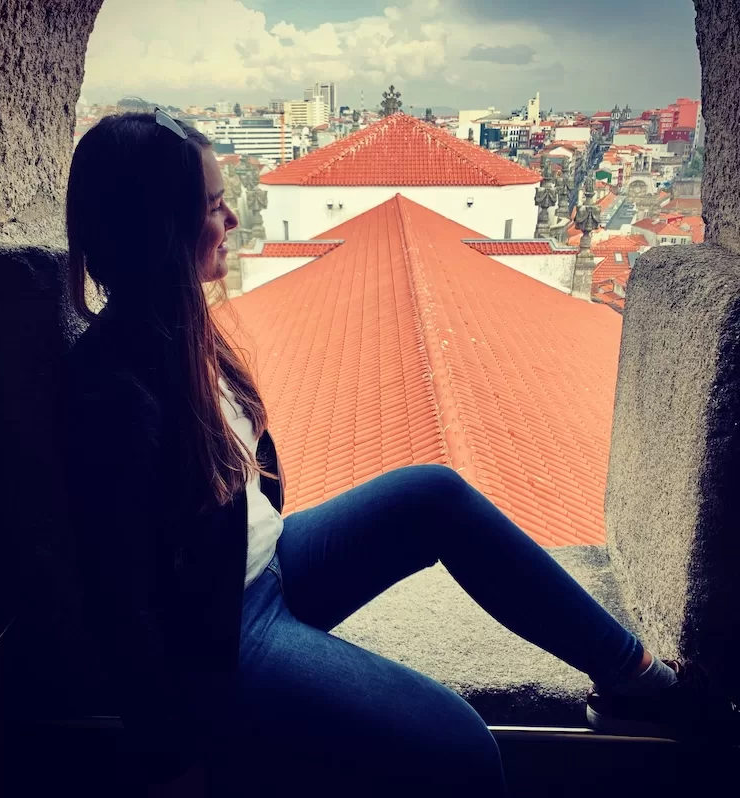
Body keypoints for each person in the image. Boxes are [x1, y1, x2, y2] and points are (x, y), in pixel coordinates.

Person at [59, 110, 732, 797]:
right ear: (160, 233)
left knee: (432, 493)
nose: (234, 219)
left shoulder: (180, 332)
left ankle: (639, 679)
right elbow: (120, 601)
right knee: (464, 752)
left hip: (264, 562)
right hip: (224, 633)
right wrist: (173, 763)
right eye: (213, 206)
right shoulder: (108, 387)